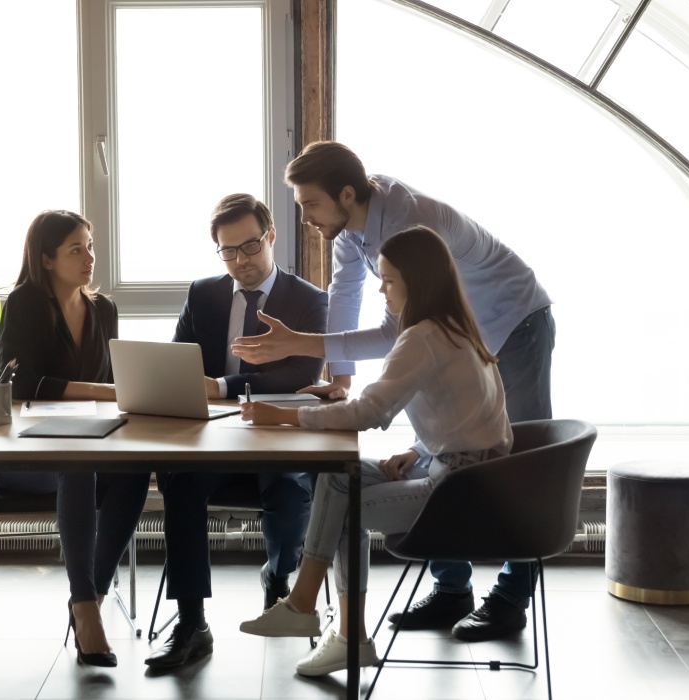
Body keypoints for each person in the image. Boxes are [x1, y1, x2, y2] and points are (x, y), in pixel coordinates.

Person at [232, 141, 555, 641]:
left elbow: (393, 333)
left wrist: (296, 346)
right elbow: (345, 297)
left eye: (310, 204)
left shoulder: (408, 226)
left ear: (345, 194)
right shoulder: (349, 229)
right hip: (457, 335)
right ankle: (452, 590)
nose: (305, 218)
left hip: (515, 321)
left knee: (521, 467)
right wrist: (339, 378)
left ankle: (511, 598)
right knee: (438, 438)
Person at [237, 225, 513, 676]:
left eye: (388, 280)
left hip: (461, 489)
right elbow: (475, 415)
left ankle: (338, 629)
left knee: (345, 507)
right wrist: (419, 448)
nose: (381, 290)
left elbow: (368, 412)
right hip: (468, 471)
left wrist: (285, 416)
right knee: (338, 475)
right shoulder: (456, 329)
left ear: (415, 282)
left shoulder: (423, 336)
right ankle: (323, 617)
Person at [144, 194, 329, 670]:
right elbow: (178, 364)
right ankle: (191, 624)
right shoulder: (203, 293)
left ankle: (278, 572)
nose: (240, 261)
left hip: (279, 437)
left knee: (290, 493)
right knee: (180, 481)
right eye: (228, 251)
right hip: (217, 440)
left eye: (249, 247)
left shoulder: (309, 301)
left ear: (270, 237)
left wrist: (223, 385)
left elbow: (300, 377)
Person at [0, 209, 151, 668]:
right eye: (76, 249)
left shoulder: (104, 309)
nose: (89, 258)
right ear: (46, 259)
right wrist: (109, 390)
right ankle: (83, 605)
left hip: (86, 448)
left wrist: (126, 392)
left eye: (90, 246)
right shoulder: (23, 304)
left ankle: (91, 600)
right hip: (24, 456)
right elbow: (21, 385)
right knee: (78, 465)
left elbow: (113, 388)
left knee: (135, 470)